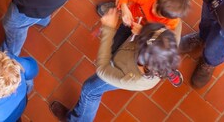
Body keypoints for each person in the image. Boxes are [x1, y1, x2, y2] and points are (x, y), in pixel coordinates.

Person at [49, 9, 180, 121]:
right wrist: (143, 32)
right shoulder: (170, 37)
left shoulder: (130, 77)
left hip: (122, 68)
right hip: (126, 55)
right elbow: (175, 23)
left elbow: (102, 70)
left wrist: (108, 29)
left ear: (143, 55)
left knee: (90, 90)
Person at [96, 0, 189, 54]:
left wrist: (143, 32)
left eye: (158, 13)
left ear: (167, 18)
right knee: (113, 47)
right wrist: (124, 8)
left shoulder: (171, 23)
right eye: (156, 4)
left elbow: (159, 36)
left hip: (143, 36)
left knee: (130, 54)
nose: (152, 10)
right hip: (128, 24)